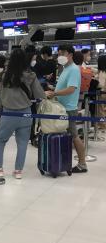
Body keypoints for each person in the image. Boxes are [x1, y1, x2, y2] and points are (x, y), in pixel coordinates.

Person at [0, 48, 46, 179]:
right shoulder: (31, 75)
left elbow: (0, 95)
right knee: (22, 143)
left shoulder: (5, 75)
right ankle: (18, 171)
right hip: (26, 114)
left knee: (0, 140)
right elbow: (40, 95)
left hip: (8, 113)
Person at [46, 45, 87, 173]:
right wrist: (53, 89)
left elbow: (71, 89)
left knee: (74, 135)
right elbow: (65, 87)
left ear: (70, 54)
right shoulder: (65, 69)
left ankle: (82, 164)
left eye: (62, 53)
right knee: (69, 135)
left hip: (68, 108)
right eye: (58, 54)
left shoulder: (73, 69)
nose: (60, 56)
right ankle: (63, 161)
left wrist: (55, 93)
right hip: (61, 107)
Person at [96, 55, 106, 131]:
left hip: (102, 93)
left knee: (101, 109)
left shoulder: (102, 72)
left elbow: (101, 84)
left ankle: (102, 125)